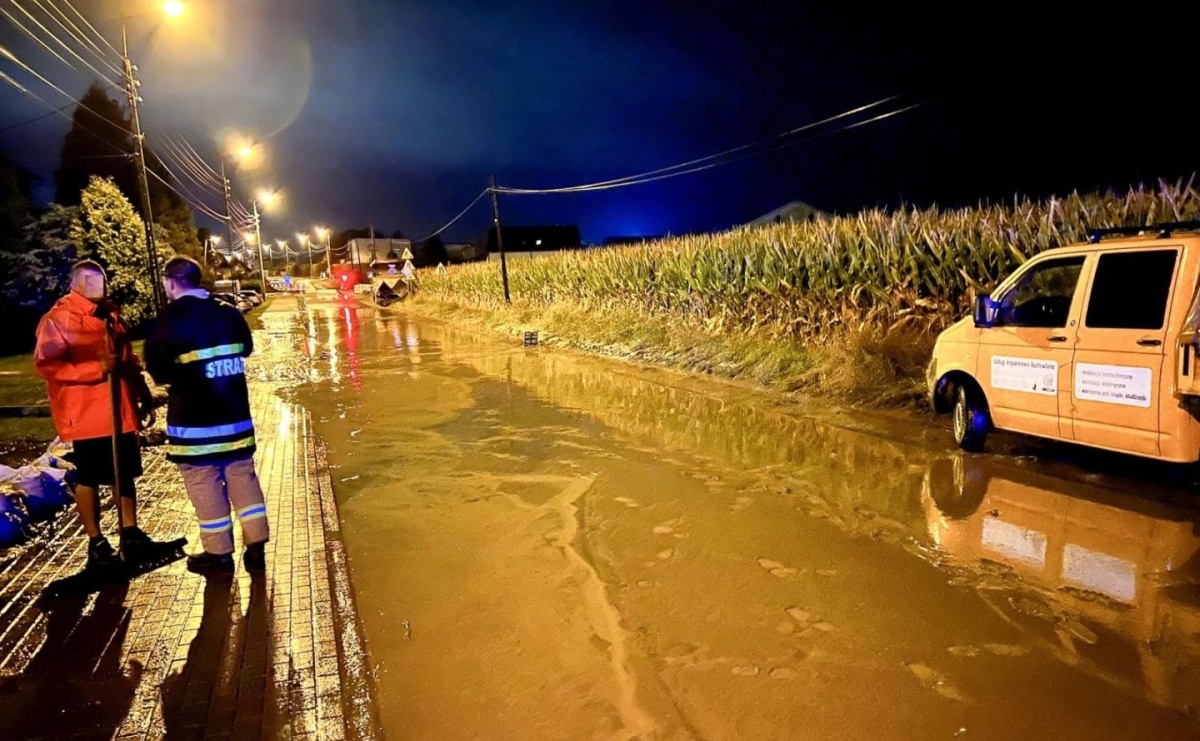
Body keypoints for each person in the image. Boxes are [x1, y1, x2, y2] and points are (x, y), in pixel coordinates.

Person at [34, 260, 166, 571]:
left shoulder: (109, 314)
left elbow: (126, 358)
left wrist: (141, 393)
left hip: (120, 411)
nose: (101, 287)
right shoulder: (59, 319)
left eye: (103, 281)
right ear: (77, 284)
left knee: (126, 472)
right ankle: (97, 543)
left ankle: (130, 534)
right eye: (94, 281)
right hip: (87, 415)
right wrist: (95, 370)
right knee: (91, 475)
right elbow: (46, 365)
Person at [144, 256, 269, 574]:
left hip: (195, 426)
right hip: (236, 418)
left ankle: (219, 555)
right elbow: (246, 348)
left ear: (171, 282)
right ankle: (256, 546)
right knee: (243, 476)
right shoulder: (228, 313)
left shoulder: (170, 320)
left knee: (205, 483)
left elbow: (158, 372)